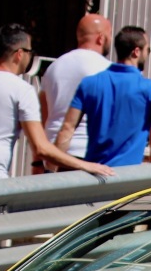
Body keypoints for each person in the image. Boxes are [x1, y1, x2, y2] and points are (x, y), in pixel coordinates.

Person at [0, 24, 114, 182]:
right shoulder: (21, 89)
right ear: (20, 54)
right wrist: (87, 166)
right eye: (30, 52)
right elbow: (41, 147)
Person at [57, 26, 151, 167]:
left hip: (94, 177)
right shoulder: (149, 89)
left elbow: (67, 129)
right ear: (136, 52)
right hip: (127, 179)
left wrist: (50, 172)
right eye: (148, 50)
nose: (148, 55)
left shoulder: (89, 83)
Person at [39, 14, 113, 170]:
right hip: (87, 155)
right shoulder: (106, 69)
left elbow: (44, 113)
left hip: (54, 154)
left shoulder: (54, 67)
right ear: (101, 38)